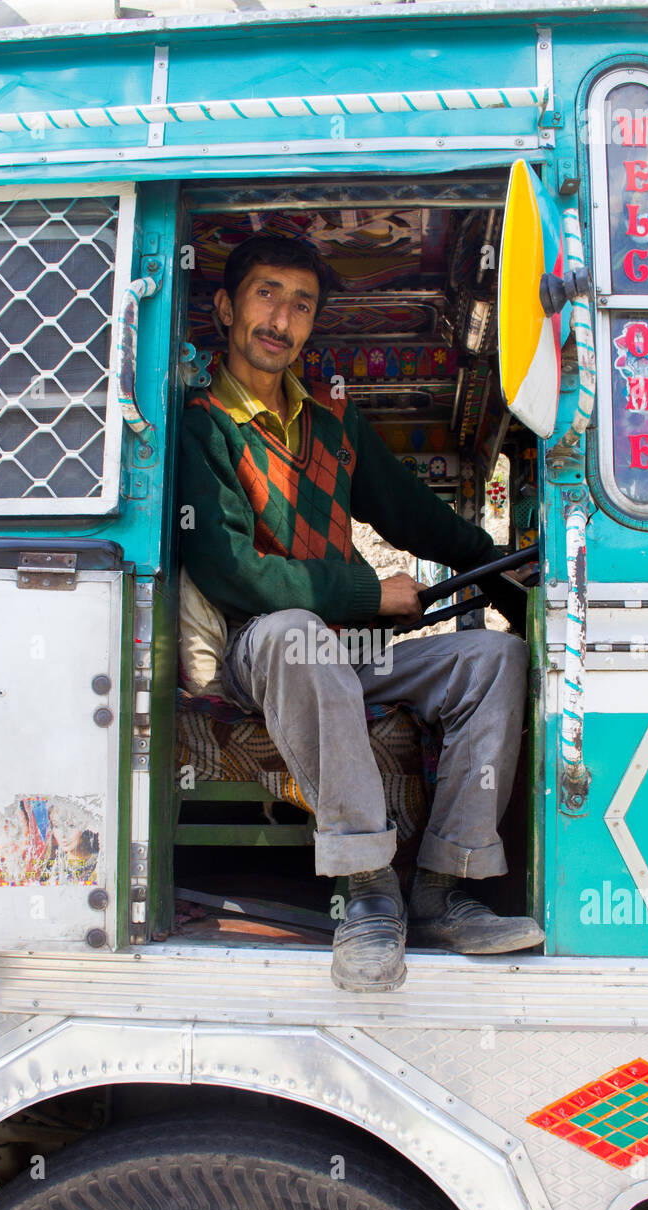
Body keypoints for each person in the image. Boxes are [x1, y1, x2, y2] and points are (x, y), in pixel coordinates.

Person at [178, 233, 543, 992]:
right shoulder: (201, 423)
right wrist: (369, 594)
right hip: (260, 653)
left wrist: (516, 590)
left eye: (301, 304)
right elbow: (232, 571)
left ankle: (448, 886)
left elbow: (422, 520)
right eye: (266, 295)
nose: (281, 318)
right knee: (296, 636)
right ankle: (368, 888)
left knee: (493, 659)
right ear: (226, 307)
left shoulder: (331, 427)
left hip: (338, 656)